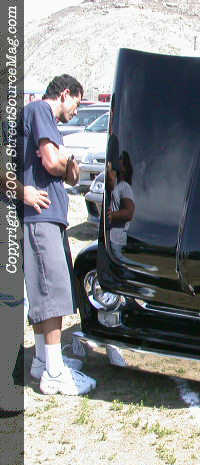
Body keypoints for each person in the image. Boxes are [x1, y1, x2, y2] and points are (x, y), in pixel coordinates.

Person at [22, 74, 96, 395]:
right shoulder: (40, 110)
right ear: (64, 94)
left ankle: (43, 360)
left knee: (46, 290)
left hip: (49, 218)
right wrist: (64, 160)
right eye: (76, 103)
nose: (76, 111)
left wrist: (68, 161)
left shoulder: (45, 121)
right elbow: (54, 163)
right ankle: (54, 372)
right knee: (52, 292)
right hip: (40, 217)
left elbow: (71, 174)